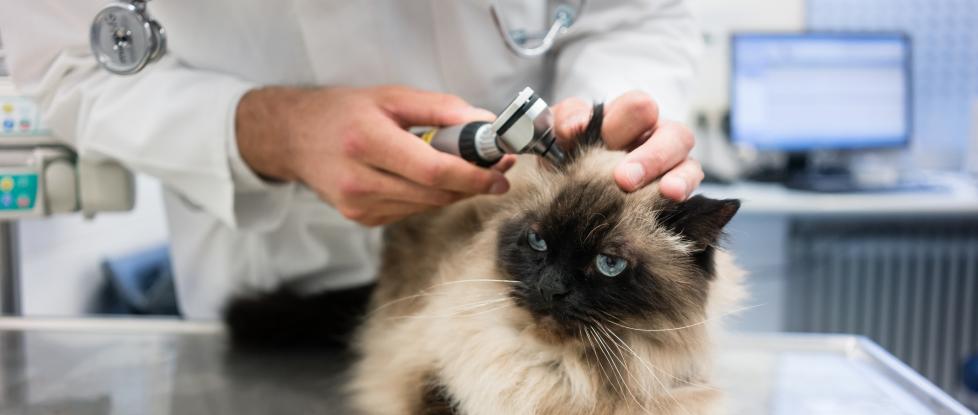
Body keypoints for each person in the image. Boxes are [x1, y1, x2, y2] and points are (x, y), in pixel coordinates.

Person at [0, 0, 704, 319]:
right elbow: (63, 62)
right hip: (263, 289)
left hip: (503, 302)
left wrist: (611, 124)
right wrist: (267, 129)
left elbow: (638, 16)